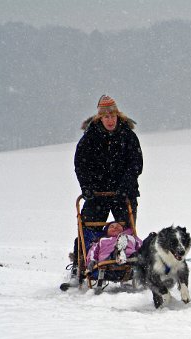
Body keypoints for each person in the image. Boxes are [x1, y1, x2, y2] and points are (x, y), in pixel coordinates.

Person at [63, 95, 144, 288]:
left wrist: (125, 186)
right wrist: (87, 187)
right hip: (96, 194)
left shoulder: (127, 135)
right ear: (100, 117)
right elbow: (81, 165)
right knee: (88, 230)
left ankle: (127, 269)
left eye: (113, 115)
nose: (110, 120)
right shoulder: (90, 137)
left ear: (118, 115)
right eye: (106, 116)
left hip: (123, 194)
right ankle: (81, 266)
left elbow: (136, 164)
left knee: (126, 231)